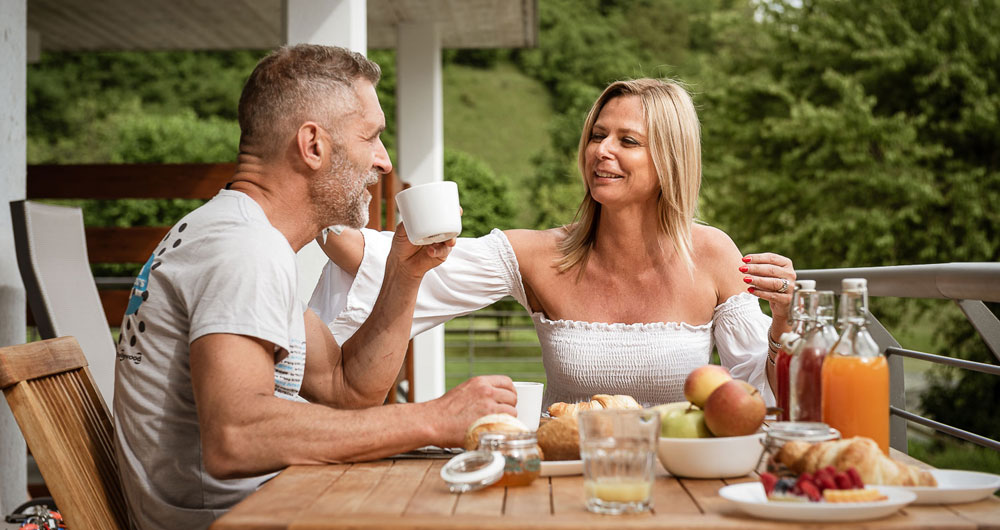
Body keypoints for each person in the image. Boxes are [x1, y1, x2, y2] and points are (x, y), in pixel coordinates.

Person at [112, 45, 517, 530]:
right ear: (313, 145)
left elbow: (346, 389)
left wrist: (403, 275)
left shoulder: (247, 238)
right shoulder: (243, 250)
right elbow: (235, 437)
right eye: (372, 138)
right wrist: (434, 418)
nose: (385, 163)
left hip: (278, 504)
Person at [311, 78, 796, 409]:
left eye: (628, 141)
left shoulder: (713, 254)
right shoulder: (537, 255)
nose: (601, 150)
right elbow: (390, 262)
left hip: (679, 478)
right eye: (598, 135)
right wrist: (312, 204)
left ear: (671, 160)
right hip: (561, 481)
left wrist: (783, 324)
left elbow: (761, 389)